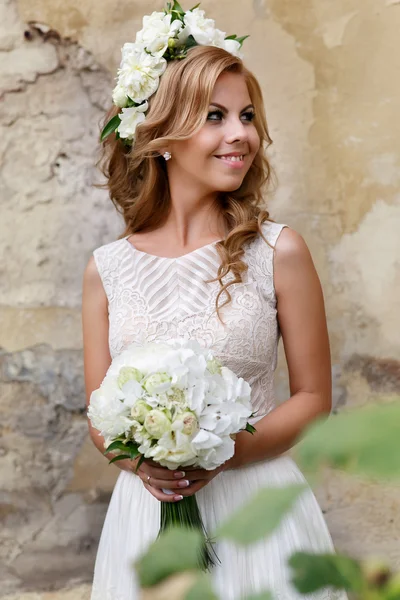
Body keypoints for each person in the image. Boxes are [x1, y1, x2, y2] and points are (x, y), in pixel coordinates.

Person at [82, 8, 348, 599]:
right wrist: (141, 463)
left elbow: (313, 397)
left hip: (257, 510)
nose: (241, 135)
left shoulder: (280, 252)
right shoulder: (107, 270)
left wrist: (225, 454)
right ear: (165, 137)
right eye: (215, 117)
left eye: (248, 117)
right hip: (146, 521)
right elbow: (99, 412)